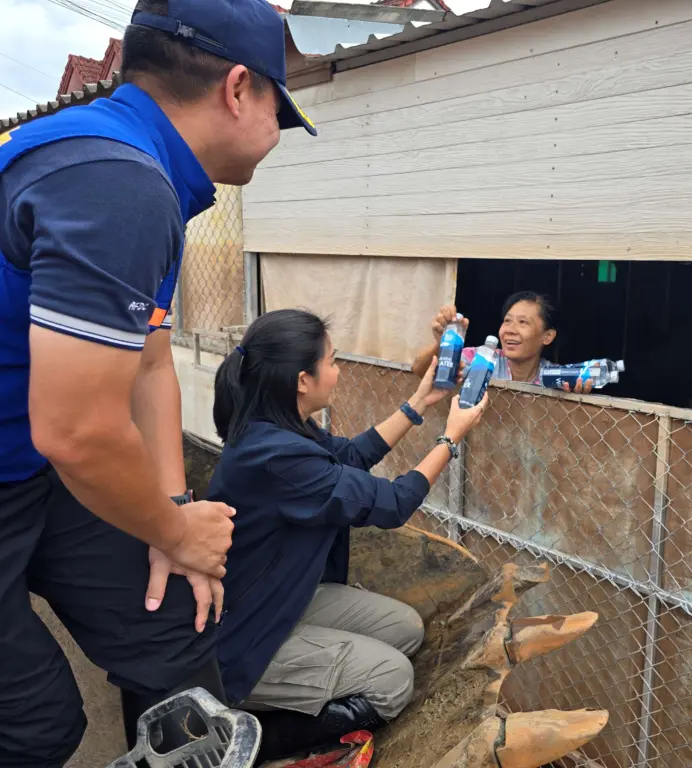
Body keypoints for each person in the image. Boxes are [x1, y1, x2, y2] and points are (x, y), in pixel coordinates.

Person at [0, 0, 317, 763]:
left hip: (32, 469)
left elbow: (147, 363)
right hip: (39, 457)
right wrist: (176, 531)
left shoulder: (150, 172)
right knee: (37, 722)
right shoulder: (116, 183)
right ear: (239, 88)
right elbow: (77, 431)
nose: (279, 135)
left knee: (175, 640)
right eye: (282, 107)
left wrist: (171, 516)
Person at [206, 309, 488, 761]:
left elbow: (352, 456)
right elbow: (394, 503)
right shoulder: (277, 457)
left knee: (405, 629)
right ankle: (248, 739)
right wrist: (450, 440)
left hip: (281, 599)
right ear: (302, 379)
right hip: (245, 638)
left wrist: (420, 402)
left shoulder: (280, 428)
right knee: (394, 681)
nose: (338, 372)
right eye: (333, 361)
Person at [411, 290, 594, 393]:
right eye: (507, 321)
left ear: (548, 336)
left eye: (523, 322)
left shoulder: (554, 376)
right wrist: (442, 344)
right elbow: (419, 370)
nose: (510, 330)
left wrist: (576, 397)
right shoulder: (479, 358)